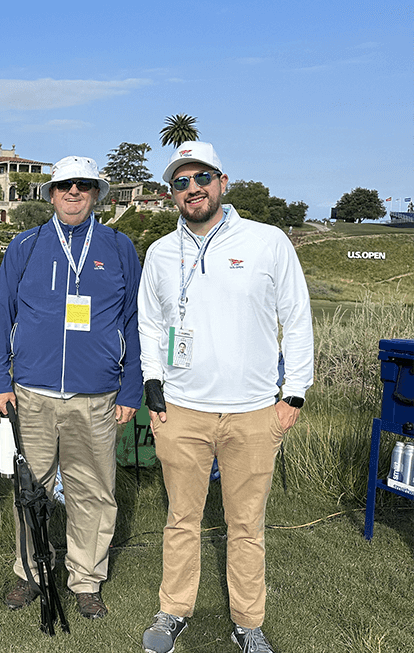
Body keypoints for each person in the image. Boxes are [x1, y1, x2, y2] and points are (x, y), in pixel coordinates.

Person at [137, 142, 313, 653]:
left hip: (255, 412)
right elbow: (150, 324)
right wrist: (153, 382)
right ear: (171, 193)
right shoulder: (162, 252)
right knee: (181, 520)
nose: (193, 189)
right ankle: (173, 611)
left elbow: (296, 320)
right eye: (181, 182)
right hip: (181, 412)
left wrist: (294, 395)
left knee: (246, 525)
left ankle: (248, 621)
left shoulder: (267, 241)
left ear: (222, 180)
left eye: (202, 178)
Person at [0, 156, 142, 619]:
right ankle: (30, 572)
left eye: (83, 185)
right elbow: (1, 315)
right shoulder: (26, 245)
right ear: (51, 194)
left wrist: (131, 388)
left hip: (97, 395)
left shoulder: (118, 247)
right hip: (32, 393)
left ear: (96, 193)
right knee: (30, 490)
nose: (73, 192)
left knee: (92, 490)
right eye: (64, 186)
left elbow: (135, 321)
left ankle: (86, 578)